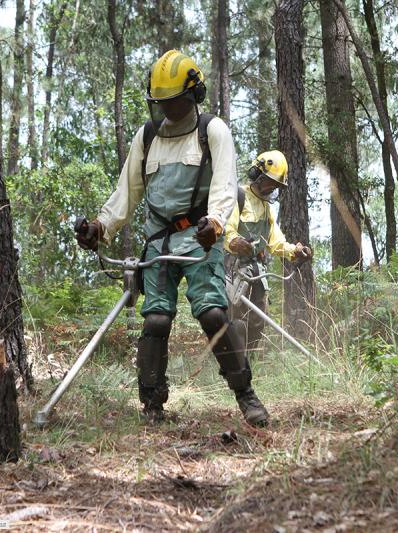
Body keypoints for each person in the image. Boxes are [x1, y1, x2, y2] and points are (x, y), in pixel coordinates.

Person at [75, 50, 269, 426]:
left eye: (175, 102)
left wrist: (214, 223)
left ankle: (246, 395)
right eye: (161, 104)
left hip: (201, 238)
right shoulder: (147, 137)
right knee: (157, 320)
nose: (168, 110)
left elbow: (225, 184)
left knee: (213, 312)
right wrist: (101, 227)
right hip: (159, 243)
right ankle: (152, 405)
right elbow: (127, 191)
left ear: (193, 96)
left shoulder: (212, 131)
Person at [224, 150, 313, 354]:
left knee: (257, 321)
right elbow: (226, 232)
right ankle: (232, 366)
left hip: (257, 272)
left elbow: (275, 242)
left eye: (275, 186)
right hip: (234, 271)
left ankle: (250, 364)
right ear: (256, 175)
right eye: (269, 182)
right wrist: (235, 241)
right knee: (235, 321)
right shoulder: (237, 196)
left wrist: (294, 251)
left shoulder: (266, 208)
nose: (271, 188)